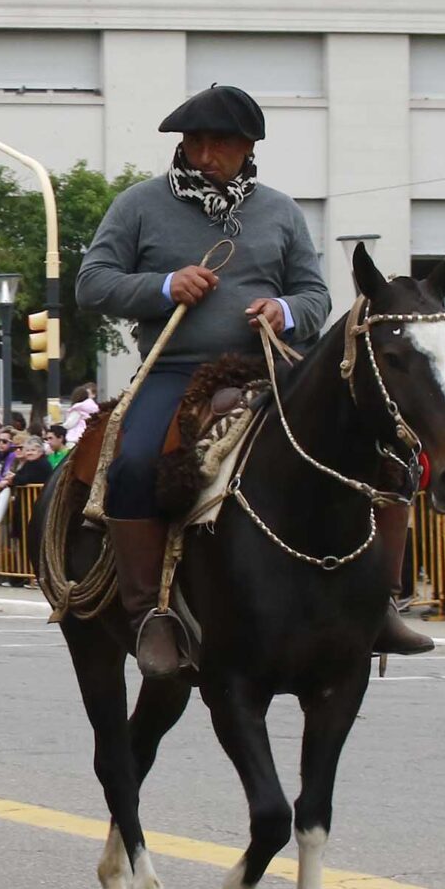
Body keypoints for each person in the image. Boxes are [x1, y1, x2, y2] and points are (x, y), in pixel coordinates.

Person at [76, 83, 394, 680]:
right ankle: (150, 615)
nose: (203, 155)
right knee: (134, 465)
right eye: (193, 142)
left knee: (376, 454)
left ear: (249, 148)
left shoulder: (280, 210)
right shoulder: (139, 204)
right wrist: (165, 286)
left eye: (218, 143)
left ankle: (379, 598)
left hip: (274, 370)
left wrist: (286, 311)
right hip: (174, 371)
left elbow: (317, 294)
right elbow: (92, 283)